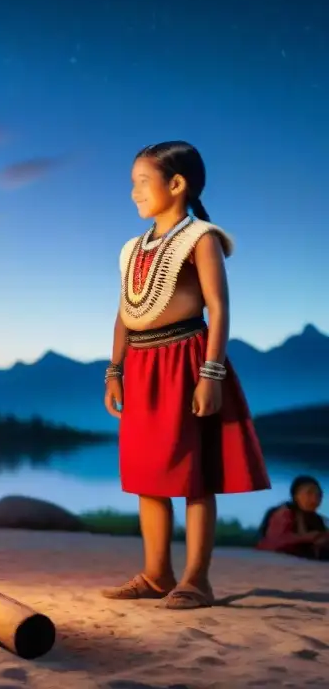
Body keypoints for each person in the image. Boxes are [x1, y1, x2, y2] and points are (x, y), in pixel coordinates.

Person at [100, 141, 270, 610]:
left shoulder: (201, 239)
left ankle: (197, 579)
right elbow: (124, 314)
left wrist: (210, 374)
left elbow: (219, 307)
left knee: (194, 473)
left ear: (176, 185)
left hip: (187, 361)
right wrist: (114, 370)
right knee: (146, 474)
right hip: (142, 364)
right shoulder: (133, 250)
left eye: (141, 181)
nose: (133, 192)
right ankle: (157, 573)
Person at [257, 476, 328, 560]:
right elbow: (274, 541)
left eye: (319, 495)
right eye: (309, 493)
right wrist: (307, 537)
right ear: (295, 495)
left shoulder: (317, 519)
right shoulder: (284, 513)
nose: (315, 499)